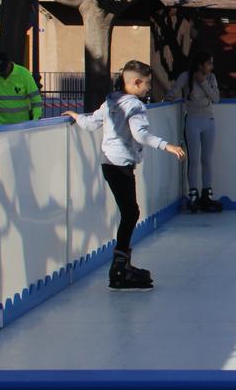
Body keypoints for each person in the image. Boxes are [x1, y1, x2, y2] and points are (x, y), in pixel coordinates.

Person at [63, 61, 186, 290]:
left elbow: (91, 123)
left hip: (109, 164)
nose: (149, 88)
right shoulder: (135, 106)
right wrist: (166, 146)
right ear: (136, 82)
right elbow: (140, 134)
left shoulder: (110, 101)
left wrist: (77, 117)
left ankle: (121, 265)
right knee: (131, 212)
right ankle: (119, 268)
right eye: (147, 84)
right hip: (119, 164)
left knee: (130, 212)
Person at [166, 50, 223, 213]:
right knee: (194, 159)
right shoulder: (186, 76)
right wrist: (168, 98)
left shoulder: (211, 78)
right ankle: (193, 194)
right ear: (200, 64)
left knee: (207, 158)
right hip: (192, 120)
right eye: (208, 63)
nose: (211, 66)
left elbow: (216, 98)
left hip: (209, 121)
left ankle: (207, 193)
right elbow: (175, 90)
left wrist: (203, 82)